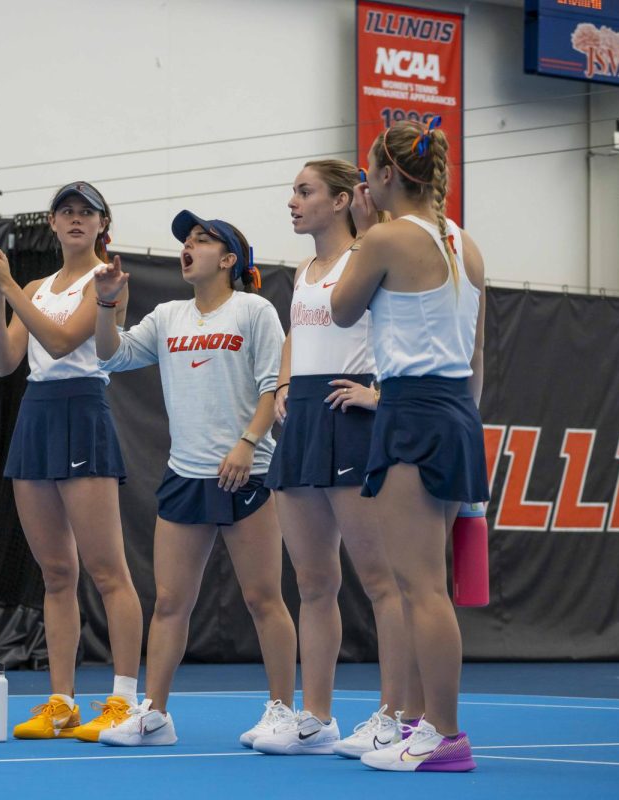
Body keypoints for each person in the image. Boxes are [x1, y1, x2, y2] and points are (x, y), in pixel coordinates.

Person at [90, 211, 298, 747]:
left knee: (262, 599)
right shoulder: (166, 316)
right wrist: (107, 302)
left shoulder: (254, 311)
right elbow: (110, 356)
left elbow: (274, 387)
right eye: (186, 239)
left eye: (202, 240)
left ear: (228, 260)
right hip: (185, 475)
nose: (189, 246)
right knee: (169, 602)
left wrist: (247, 445)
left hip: (245, 473)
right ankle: (154, 714)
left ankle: (282, 710)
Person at [331, 118, 487, 772]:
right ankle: (424, 724)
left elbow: (341, 310)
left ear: (388, 176)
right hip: (452, 410)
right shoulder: (465, 243)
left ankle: (444, 735)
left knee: (419, 586)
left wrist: (365, 230)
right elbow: (473, 350)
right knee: (426, 583)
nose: (364, 185)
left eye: (369, 175)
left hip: (415, 411)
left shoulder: (386, 237)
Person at [0, 181, 144, 741]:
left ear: (101, 224)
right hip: (37, 415)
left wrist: (7, 285)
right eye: (65, 211)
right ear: (52, 221)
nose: (74, 219)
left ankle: (124, 700)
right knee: (56, 573)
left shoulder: (109, 280)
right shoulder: (36, 286)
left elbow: (65, 342)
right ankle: (62, 701)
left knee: (108, 570)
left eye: (85, 212)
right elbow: (3, 360)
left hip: (83, 409)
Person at [252, 160, 412, 757]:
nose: (291, 201)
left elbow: (405, 333)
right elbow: (299, 333)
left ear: (344, 200)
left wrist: (380, 395)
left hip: (355, 419)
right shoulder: (305, 269)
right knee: (314, 581)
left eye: (305, 191)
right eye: (292, 190)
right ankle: (316, 717)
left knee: (381, 581)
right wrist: (286, 383)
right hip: (304, 425)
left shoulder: (371, 256)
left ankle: (394, 716)